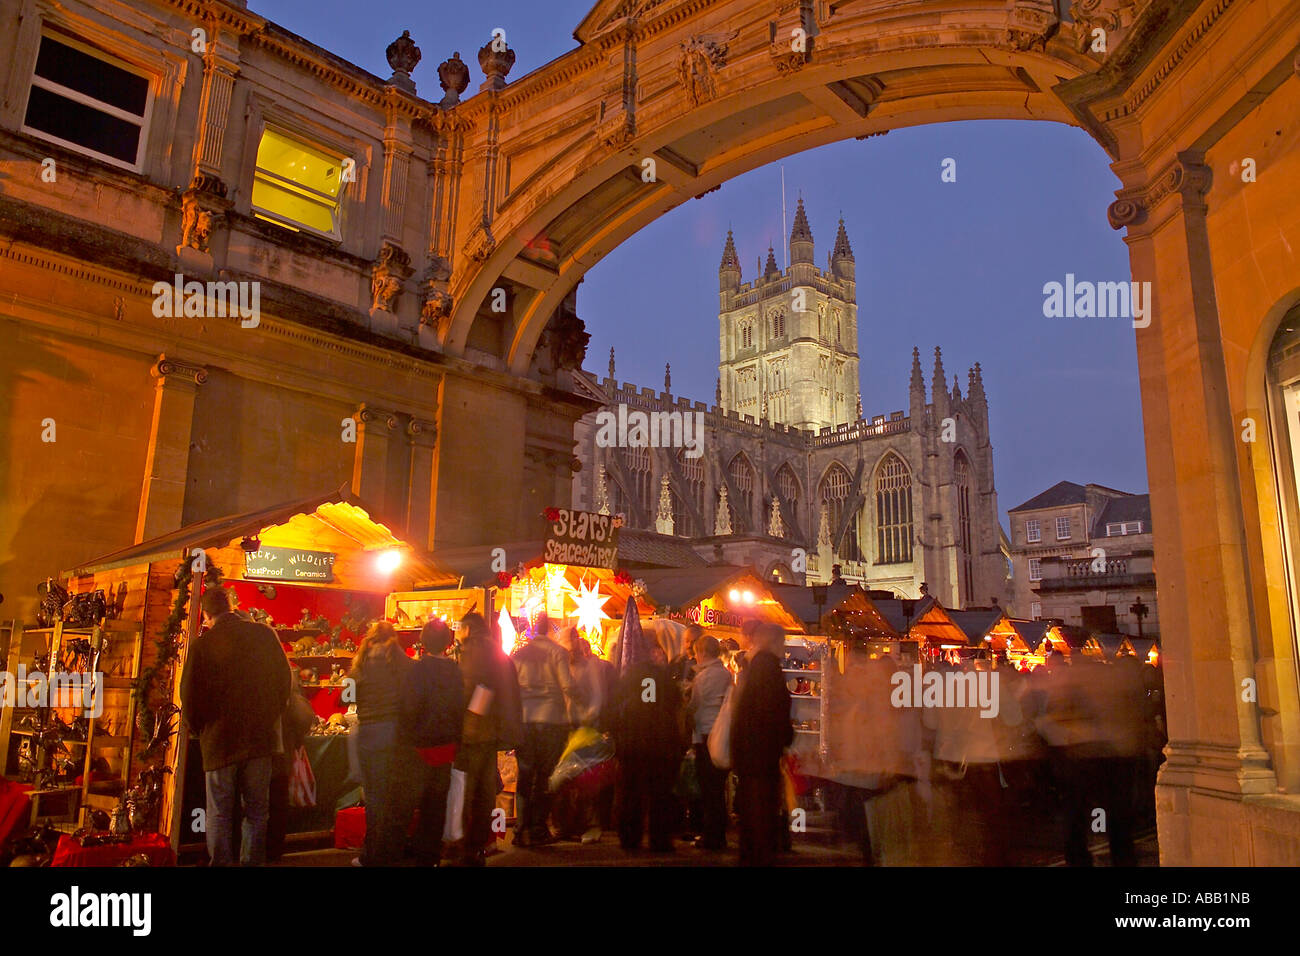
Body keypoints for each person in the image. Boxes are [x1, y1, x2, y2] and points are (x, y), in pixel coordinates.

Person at [180, 586, 290, 866]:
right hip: (260, 739)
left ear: (206, 615)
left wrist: (200, 729)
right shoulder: (265, 635)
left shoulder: (203, 645)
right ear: (231, 606)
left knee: (219, 812)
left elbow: (189, 696)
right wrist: (271, 716)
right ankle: (251, 863)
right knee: (256, 811)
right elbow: (283, 682)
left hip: (219, 741)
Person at [386, 620, 464, 866]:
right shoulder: (455, 671)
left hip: (418, 746)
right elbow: (460, 708)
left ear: (423, 641)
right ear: (448, 643)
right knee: (435, 805)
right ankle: (429, 855)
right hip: (445, 746)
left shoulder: (417, 671)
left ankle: (394, 854)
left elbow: (409, 708)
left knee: (406, 804)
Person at [454, 612, 522, 866]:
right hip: (492, 732)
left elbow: (477, 687)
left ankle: (465, 848)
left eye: (460, 628)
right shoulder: (495, 650)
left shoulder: (476, 649)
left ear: (469, 629)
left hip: (475, 734)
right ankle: (479, 846)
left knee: (468, 792)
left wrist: (468, 721)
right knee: (484, 793)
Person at [730, 622, 792, 866]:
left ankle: (752, 853)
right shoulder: (768, 669)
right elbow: (772, 711)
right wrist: (785, 736)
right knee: (761, 809)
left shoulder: (755, 666)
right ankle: (758, 855)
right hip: (761, 752)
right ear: (774, 642)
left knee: (752, 808)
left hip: (750, 751)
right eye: (783, 642)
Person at [611, 644, 684, 852]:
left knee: (631, 794)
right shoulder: (662, 679)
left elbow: (616, 708)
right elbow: (674, 706)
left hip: (633, 744)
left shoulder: (629, 678)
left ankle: (629, 838)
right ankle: (660, 840)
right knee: (660, 795)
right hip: (660, 745)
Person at [510, 615, 575, 846]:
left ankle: (520, 828)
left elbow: (511, 689)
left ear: (532, 629)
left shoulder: (518, 655)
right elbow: (567, 685)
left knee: (525, 775)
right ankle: (538, 827)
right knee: (546, 774)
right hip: (551, 719)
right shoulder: (558, 653)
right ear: (548, 629)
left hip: (525, 720)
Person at [351, 621, 412, 865]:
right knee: (394, 796)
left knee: (374, 798)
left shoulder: (360, 664)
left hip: (367, 734)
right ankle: (391, 850)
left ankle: (372, 854)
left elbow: (347, 697)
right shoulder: (403, 664)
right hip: (395, 735)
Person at [686, 632, 732, 850]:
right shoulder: (725, 675)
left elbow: (694, 707)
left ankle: (711, 836)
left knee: (708, 789)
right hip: (722, 735)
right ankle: (719, 834)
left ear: (702, 652)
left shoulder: (703, 677)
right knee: (718, 788)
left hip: (705, 735)